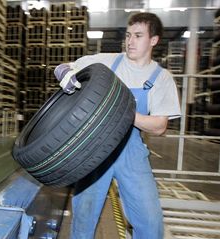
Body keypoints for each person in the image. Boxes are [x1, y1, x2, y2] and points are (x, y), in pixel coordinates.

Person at [54, 12, 181, 238]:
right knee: (83, 219)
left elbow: (160, 126)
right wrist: (64, 73)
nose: (130, 41)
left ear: (153, 40)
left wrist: (122, 112)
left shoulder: (162, 78)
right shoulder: (107, 62)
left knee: (151, 222)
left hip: (130, 153)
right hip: (95, 150)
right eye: (129, 35)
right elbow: (64, 67)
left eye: (138, 36)